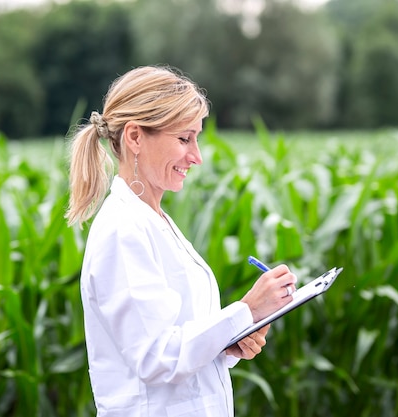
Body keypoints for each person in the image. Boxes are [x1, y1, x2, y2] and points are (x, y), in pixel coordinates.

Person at [65, 65, 298, 417]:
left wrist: (228, 342)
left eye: (196, 139)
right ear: (135, 137)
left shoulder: (153, 220)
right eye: (184, 139)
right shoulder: (123, 230)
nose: (197, 156)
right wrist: (246, 310)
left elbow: (175, 341)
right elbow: (157, 358)